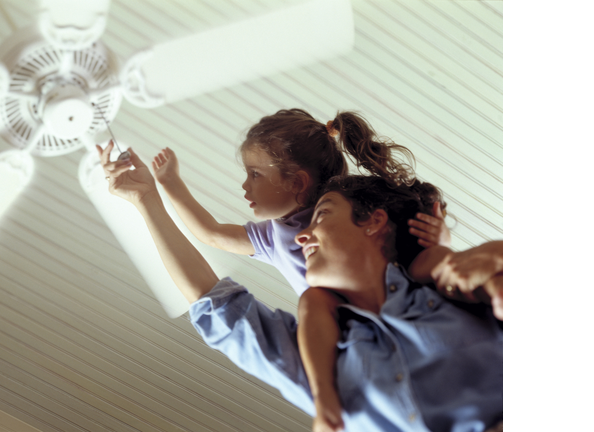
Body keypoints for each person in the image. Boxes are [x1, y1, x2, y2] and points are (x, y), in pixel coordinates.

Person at [97, 145, 503, 432]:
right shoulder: (317, 364)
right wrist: (147, 199)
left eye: (322, 216)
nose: (303, 237)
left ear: (373, 222)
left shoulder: (455, 287)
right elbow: (213, 304)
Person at [148, 109, 450, 430]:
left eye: (255, 174)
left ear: (298, 182)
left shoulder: (345, 215)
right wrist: (169, 184)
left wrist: (440, 242)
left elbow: (409, 243)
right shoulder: (276, 238)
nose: (245, 185)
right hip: (347, 339)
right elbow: (211, 233)